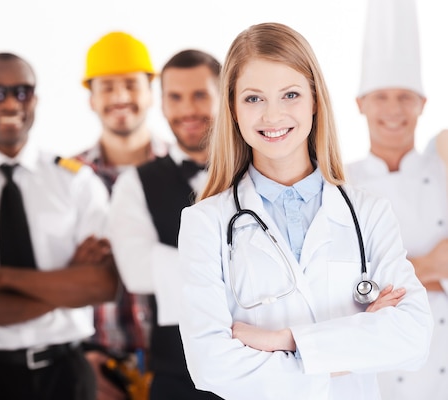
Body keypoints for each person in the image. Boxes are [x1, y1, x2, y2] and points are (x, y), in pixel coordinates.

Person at [177, 22, 433, 400]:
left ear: (315, 100)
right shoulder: (205, 223)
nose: (272, 115)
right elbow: (211, 365)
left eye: (290, 94)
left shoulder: (369, 213)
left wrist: (282, 341)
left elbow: (412, 337)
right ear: (232, 109)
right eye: (253, 98)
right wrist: (355, 345)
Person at [0, 52, 118, 400]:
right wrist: (66, 282)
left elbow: (102, 285)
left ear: (35, 99)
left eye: (22, 91)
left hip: (66, 374)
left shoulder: (75, 182)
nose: (9, 102)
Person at [345, 0, 448, 397]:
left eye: (405, 97)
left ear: (423, 103)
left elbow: (366, 283)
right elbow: (341, 290)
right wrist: (431, 267)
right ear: (359, 104)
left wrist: (389, 281)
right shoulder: (339, 182)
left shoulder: (443, 165)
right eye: (381, 97)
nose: (393, 110)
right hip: (381, 377)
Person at [109, 49, 222, 399]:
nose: (187, 110)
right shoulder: (134, 183)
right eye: (175, 97)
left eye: (200, 95)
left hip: (263, 372)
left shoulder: (259, 171)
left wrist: (170, 261)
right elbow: (137, 269)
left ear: (226, 97)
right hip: (177, 375)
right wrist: (239, 267)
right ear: (161, 104)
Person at [75, 31, 169, 399]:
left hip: (177, 362)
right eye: (107, 87)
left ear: (150, 92)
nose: (119, 97)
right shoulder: (68, 179)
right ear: (91, 98)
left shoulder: (183, 170)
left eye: (131, 85)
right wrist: (82, 356)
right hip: (101, 365)